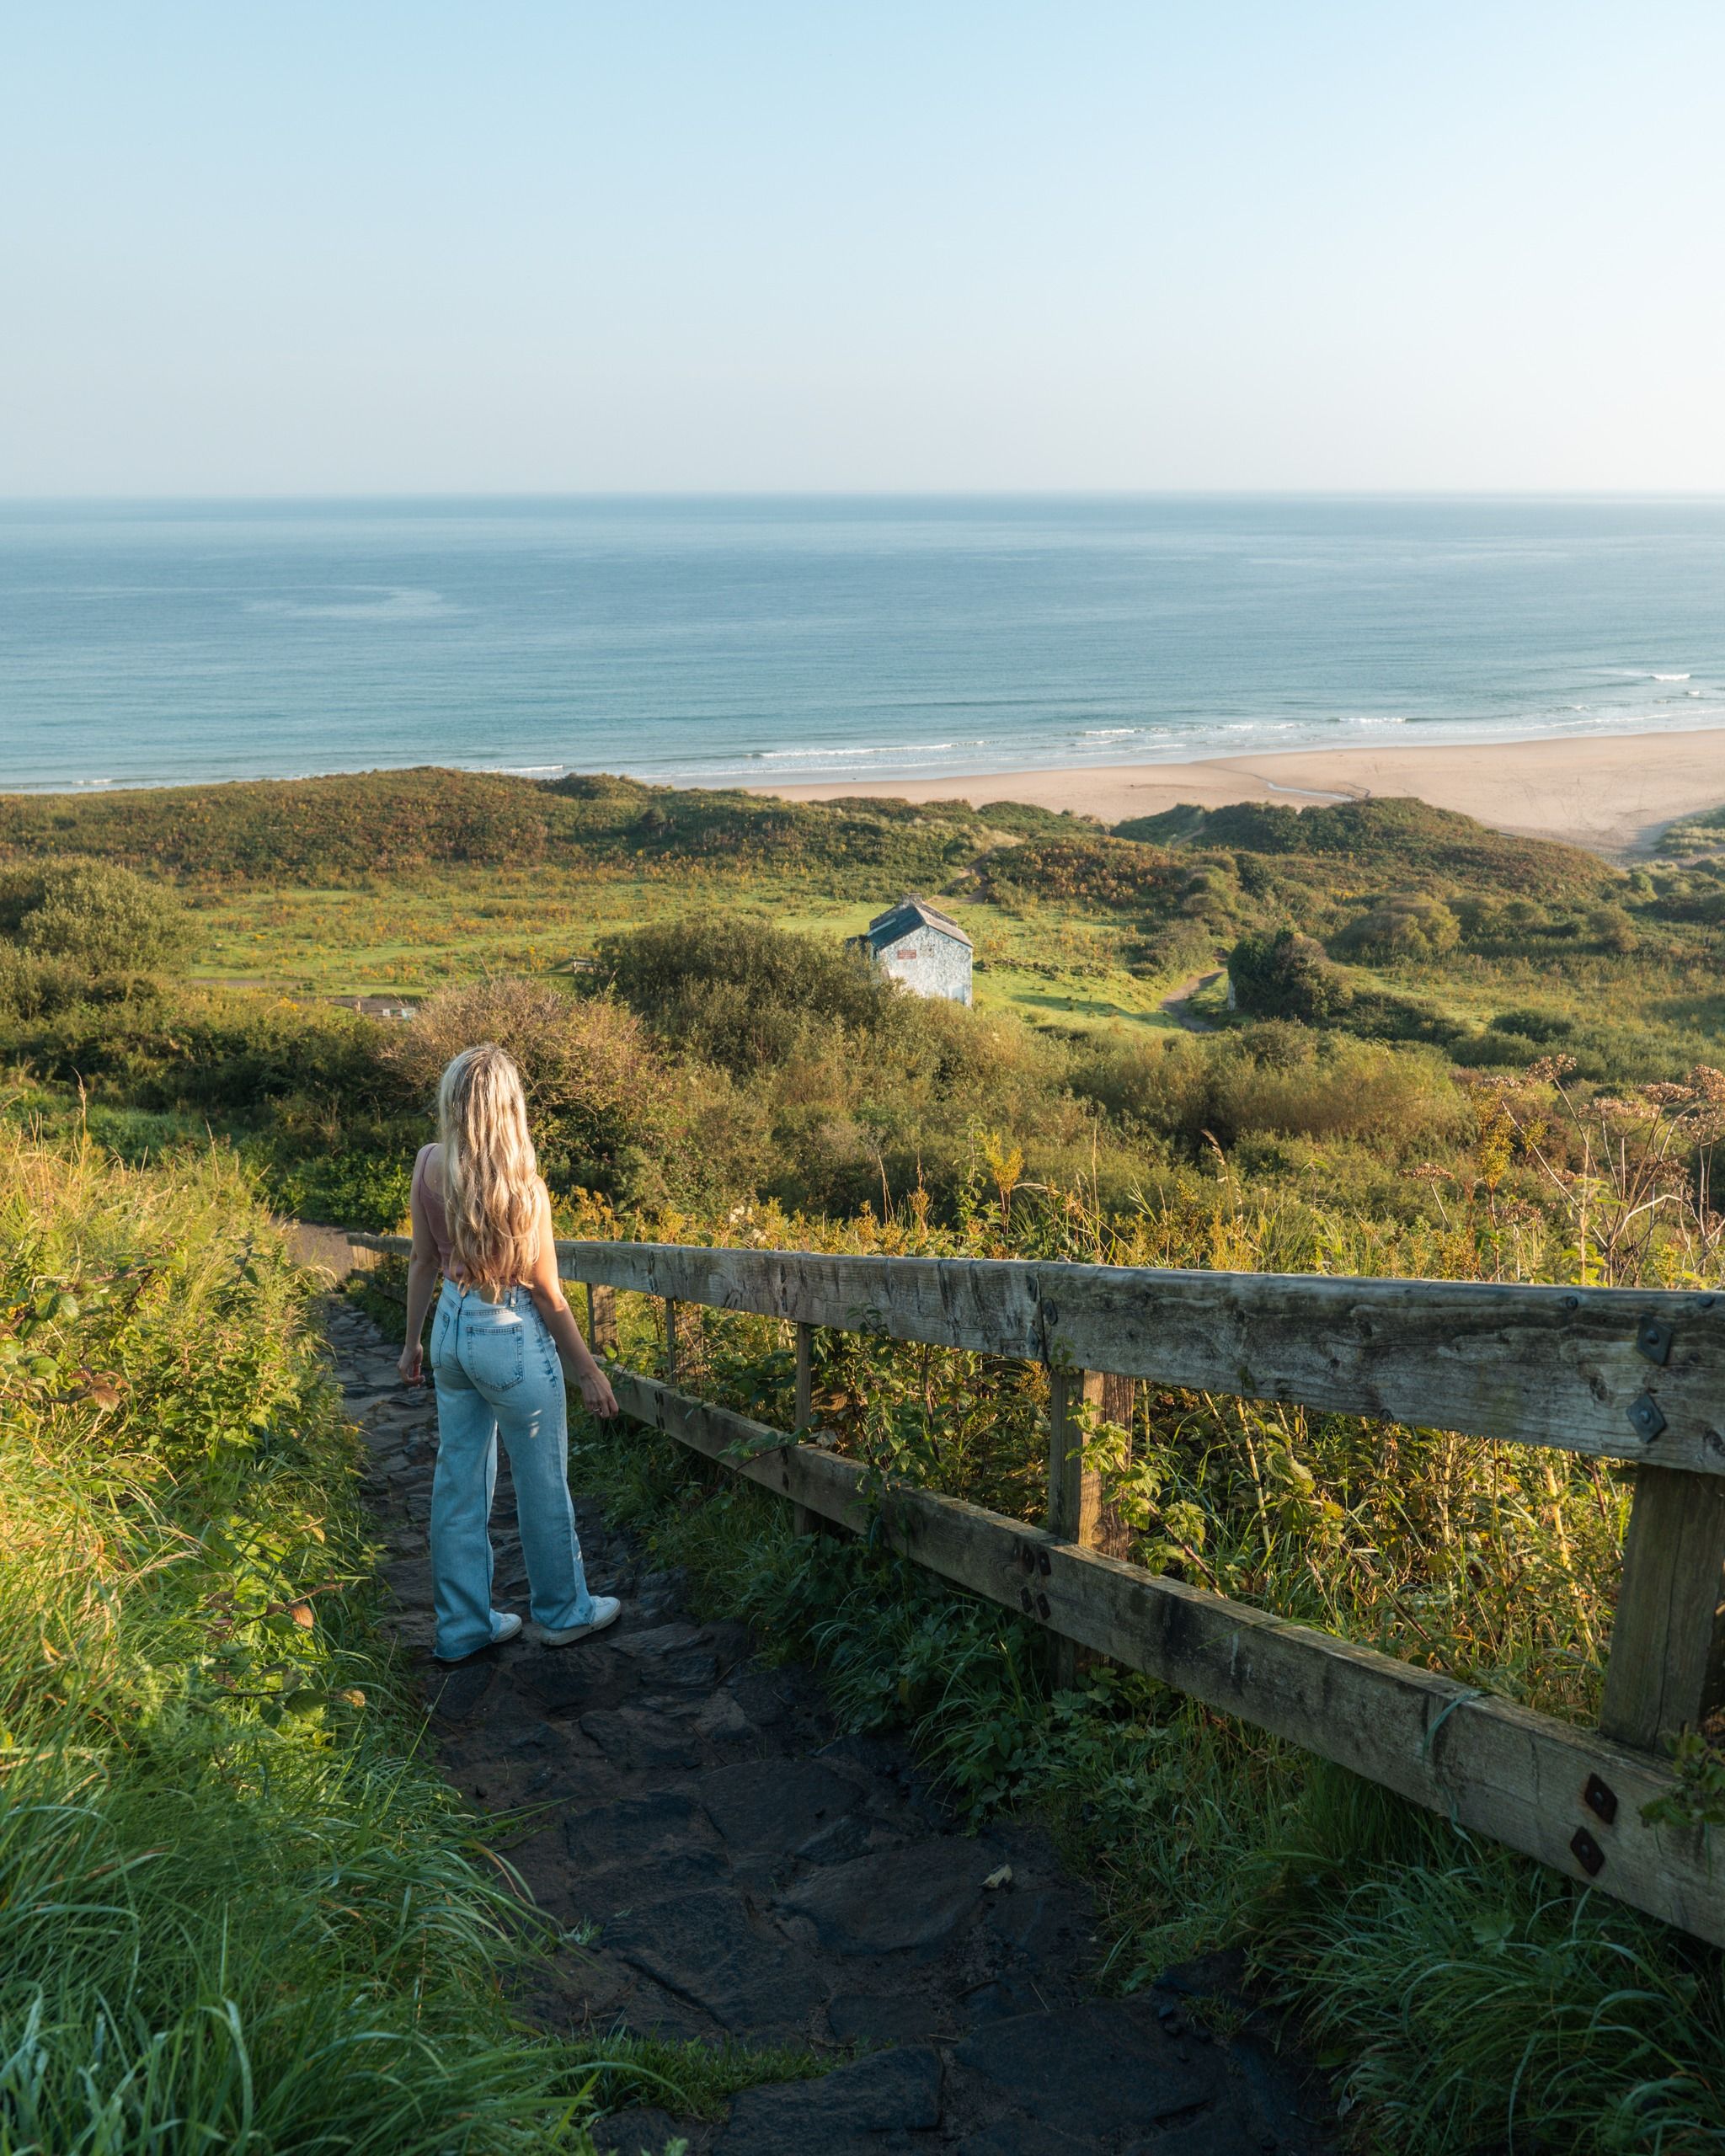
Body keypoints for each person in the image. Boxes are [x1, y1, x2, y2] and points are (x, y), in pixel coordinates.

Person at [399, 1041, 622, 1663]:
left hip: (449, 1326)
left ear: (452, 1100)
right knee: (542, 1482)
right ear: (509, 1107)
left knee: (458, 1483)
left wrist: (413, 1341)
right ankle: (562, 1612)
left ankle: (463, 1627)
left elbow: (421, 1262)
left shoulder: (428, 1165)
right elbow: (547, 1293)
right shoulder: (524, 1187)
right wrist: (588, 1370)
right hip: (510, 1331)